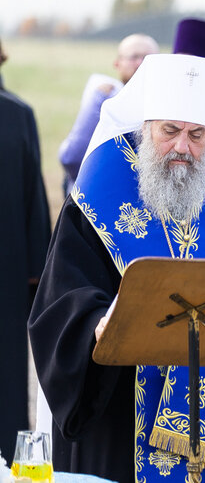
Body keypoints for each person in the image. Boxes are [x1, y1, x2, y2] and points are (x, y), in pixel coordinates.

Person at [27, 53, 205, 483]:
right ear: (146, 127)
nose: (183, 147)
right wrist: (97, 326)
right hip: (120, 410)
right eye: (171, 131)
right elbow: (61, 299)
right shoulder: (95, 199)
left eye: (197, 135)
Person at [0, 42, 52, 462]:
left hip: (7, 262)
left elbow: (35, 194)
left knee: (8, 366)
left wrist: (37, 267)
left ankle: (6, 457)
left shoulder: (17, 114)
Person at [58, 33, 159, 192]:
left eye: (148, 58)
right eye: (134, 57)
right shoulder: (103, 98)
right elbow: (72, 157)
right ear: (117, 63)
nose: (141, 63)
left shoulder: (169, 106)